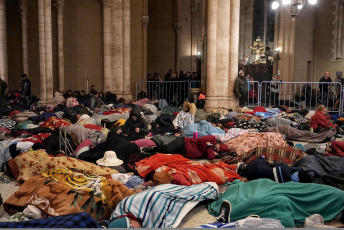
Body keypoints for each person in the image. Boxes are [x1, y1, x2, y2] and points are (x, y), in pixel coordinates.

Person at [148, 135, 230, 160]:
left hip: (185, 153)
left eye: (219, 150)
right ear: (219, 144)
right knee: (168, 149)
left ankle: (151, 154)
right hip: (184, 142)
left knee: (167, 155)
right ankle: (152, 149)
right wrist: (208, 148)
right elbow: (201, 140)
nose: (217, 149)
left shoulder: (210, 148)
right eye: (218, 147)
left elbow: (210, 157)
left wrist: (209, 147)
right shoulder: (212, 138)